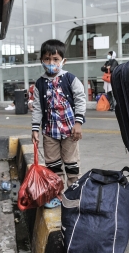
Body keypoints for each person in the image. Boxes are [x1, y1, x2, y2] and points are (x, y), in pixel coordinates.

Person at [31, 39, 86, 208]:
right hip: (49, 132)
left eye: (55, 59)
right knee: (52, 165)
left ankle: (74, 195)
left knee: (71, 164)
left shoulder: (70, 79)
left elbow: (80, 99)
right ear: (41, 60)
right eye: (47, 59)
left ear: (63, 61)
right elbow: (37, 107)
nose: (51, 63)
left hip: (70, 131)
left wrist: (78, 122)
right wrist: (35, 128)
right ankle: (57, 195)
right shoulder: (39, 83)